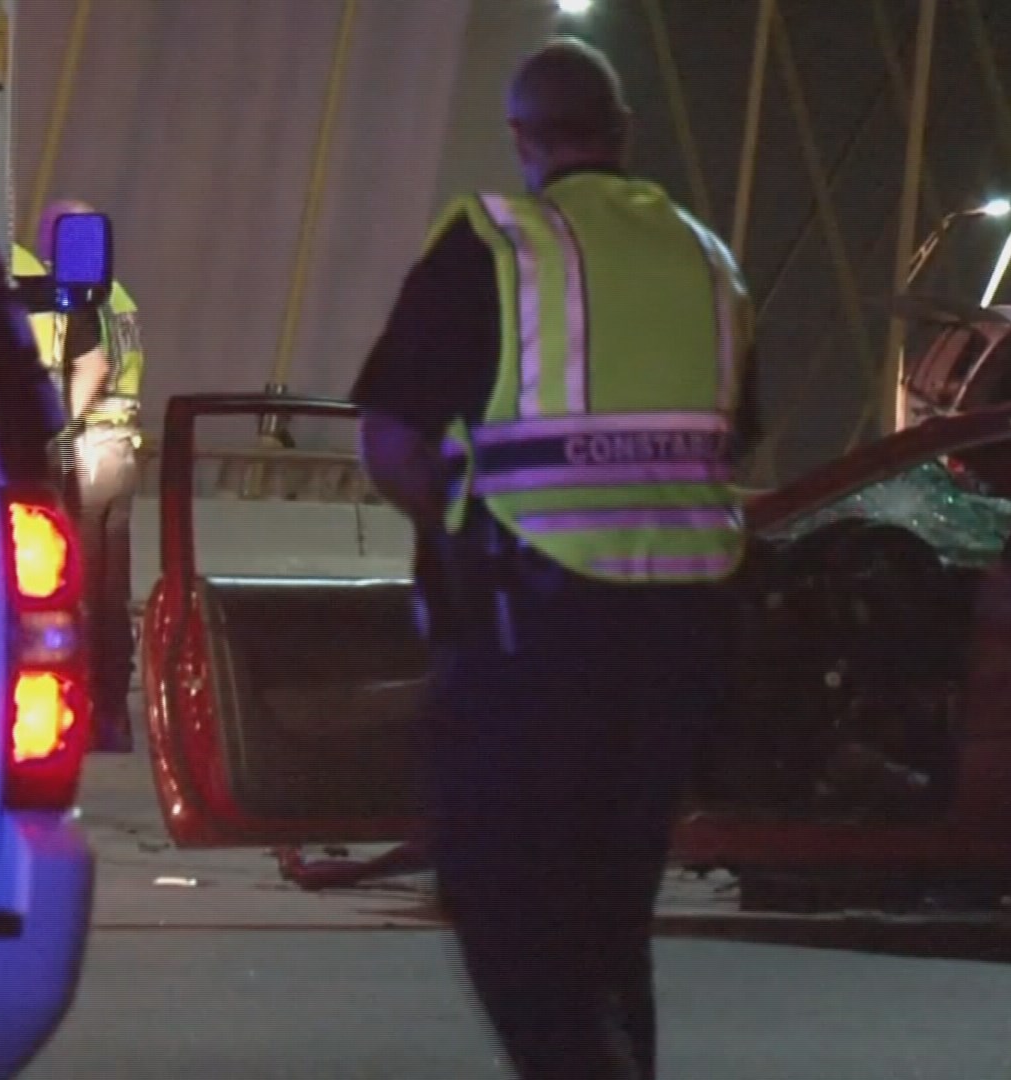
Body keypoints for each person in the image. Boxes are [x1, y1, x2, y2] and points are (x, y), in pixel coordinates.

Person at [349, 37, 761, 1080]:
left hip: (535, 632)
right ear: (623, 136)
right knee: (612, 919)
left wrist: (452, 532)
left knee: (496, 895)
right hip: (685, 644)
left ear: (523, 142)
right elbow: (729, 435)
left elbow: (389, 438)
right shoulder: (709, 259)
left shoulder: (497, 245)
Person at [20, 199, 147, 754]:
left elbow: (91, 364)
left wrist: (59, 426)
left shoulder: (71, 296)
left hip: (89, 447)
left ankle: (83, 717)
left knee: (72, 586)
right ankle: (111, 717)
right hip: (119, 449)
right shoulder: (118, 295)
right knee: (108, 589)